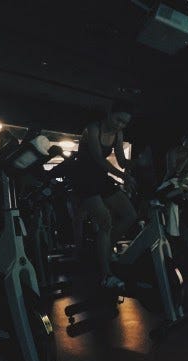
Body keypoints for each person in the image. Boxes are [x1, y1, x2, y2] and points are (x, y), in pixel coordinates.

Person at [69, 101, 138, 289]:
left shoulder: (119, 134)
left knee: (130, 215)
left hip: (100, 177)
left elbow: (122, 161)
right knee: (105, 221)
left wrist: (137, 164)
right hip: (83, 178)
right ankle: (106, 275)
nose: (120, 125)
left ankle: (103, 250)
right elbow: (98, 158)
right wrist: (122, 176)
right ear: (109, 114)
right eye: (118, 120)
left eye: (124, 123)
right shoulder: (93, 129)